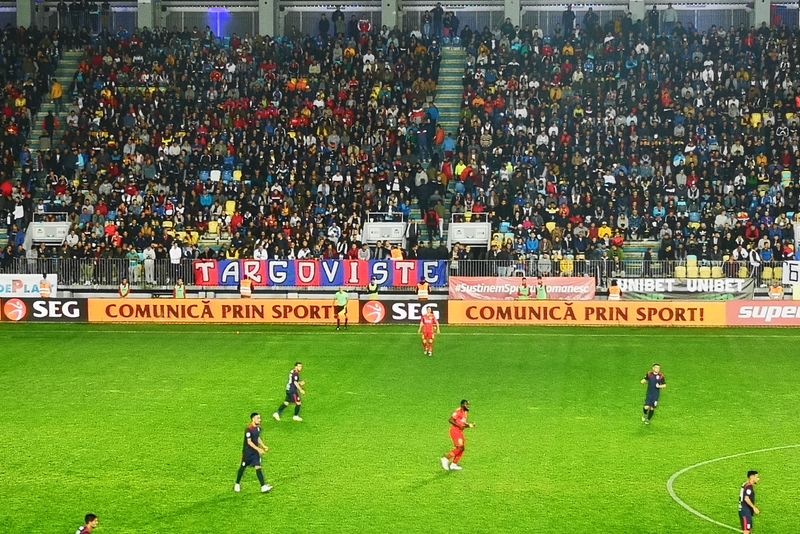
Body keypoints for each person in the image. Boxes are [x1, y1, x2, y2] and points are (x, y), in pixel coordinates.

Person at [234, 413, 272, 493]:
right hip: (247, 453)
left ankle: (263, 487)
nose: (260, 420)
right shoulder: (249, 429)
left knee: (258, 467)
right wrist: (258, 449)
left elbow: (257, 438)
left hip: (255, 453)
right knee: (243, 467)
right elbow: (249, 442)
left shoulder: (258, 428)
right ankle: (237, 484)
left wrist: (263, 446)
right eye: (258, 418)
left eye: (260, 418)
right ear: (253, 419)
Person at [440, 400, 474, 471]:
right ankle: (445, 459)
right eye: (466, 404)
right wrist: (459, 426)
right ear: (462, 405)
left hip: (460, 432)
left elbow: (462, 424)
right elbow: (450, 420)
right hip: (455, 431)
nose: (468, 406)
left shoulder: (465, 412)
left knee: (462, 448)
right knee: (460, 447)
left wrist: (469, 425)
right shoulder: (459, 411)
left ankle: (454, 465)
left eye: (468, 404)